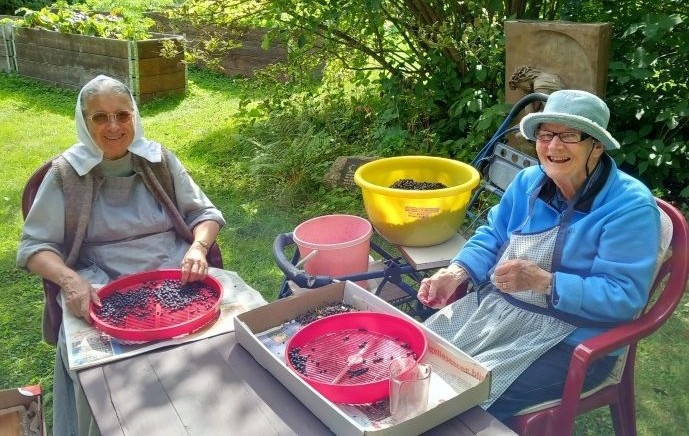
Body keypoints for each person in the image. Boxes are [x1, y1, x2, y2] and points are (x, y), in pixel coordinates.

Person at [17, 75, 267, 436]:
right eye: (100, 117)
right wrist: (69, 280)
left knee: (248, 329)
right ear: (84, 122)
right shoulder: (65, 175)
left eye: (122, 114)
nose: (114, 126)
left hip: (176, 273)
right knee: (106, 380)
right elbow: (34, 247)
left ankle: (237, 415)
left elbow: (205, 214)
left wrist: (198, 247)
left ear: (134, 115)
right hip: (101, 284)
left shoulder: (159, 160)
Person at [417, 89, 662, 422]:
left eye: (570, 136)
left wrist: (545, 282)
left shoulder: (629, 208)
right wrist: (456, 272)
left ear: (597, 146)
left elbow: (624, 296)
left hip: (576, 337)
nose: (554, 146)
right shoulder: (528, 181)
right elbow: (493, 234)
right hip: (505, 312)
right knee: (421, 362)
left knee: (466, 401)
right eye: (546, 135)